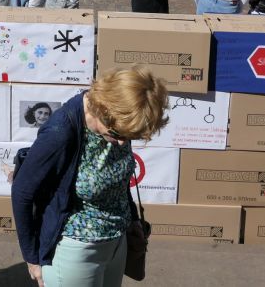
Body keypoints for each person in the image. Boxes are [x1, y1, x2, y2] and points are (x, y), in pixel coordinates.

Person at [11, 66, 168, 287]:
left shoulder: (120, 117)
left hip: (117, 242)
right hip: (75, 250)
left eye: (130, 136)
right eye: (117, 135)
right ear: (100, 109)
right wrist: (32, 258)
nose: (123, 143)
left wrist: (132, 219)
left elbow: (119, 180)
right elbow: (22, 192)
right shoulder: (61, 132)